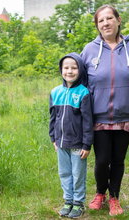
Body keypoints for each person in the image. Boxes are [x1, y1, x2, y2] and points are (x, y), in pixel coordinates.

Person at [80, 5, 129, 216]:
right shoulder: (89, 50)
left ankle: (114, 196)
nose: (105, 23)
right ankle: (100, 193)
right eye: (101, 21)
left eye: (109, 18)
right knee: (102, 159)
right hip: (98, 117)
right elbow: (80, 84)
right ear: (97, 25)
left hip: (126, 116)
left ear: (118, 20)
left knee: (118, 160)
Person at [49, 52, 94, 218]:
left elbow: (88, 122)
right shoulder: (55, 92)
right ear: (61, 70)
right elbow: (53, 118)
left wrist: (87, 144)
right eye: (66, 67)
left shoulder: (83, 93)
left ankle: (78, 203)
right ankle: (68, 200)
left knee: (78, 174)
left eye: (74, 68)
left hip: (78, 144)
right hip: (61, 142)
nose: (69, 71)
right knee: (64, 173)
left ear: (80, 70)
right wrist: (53, 138)